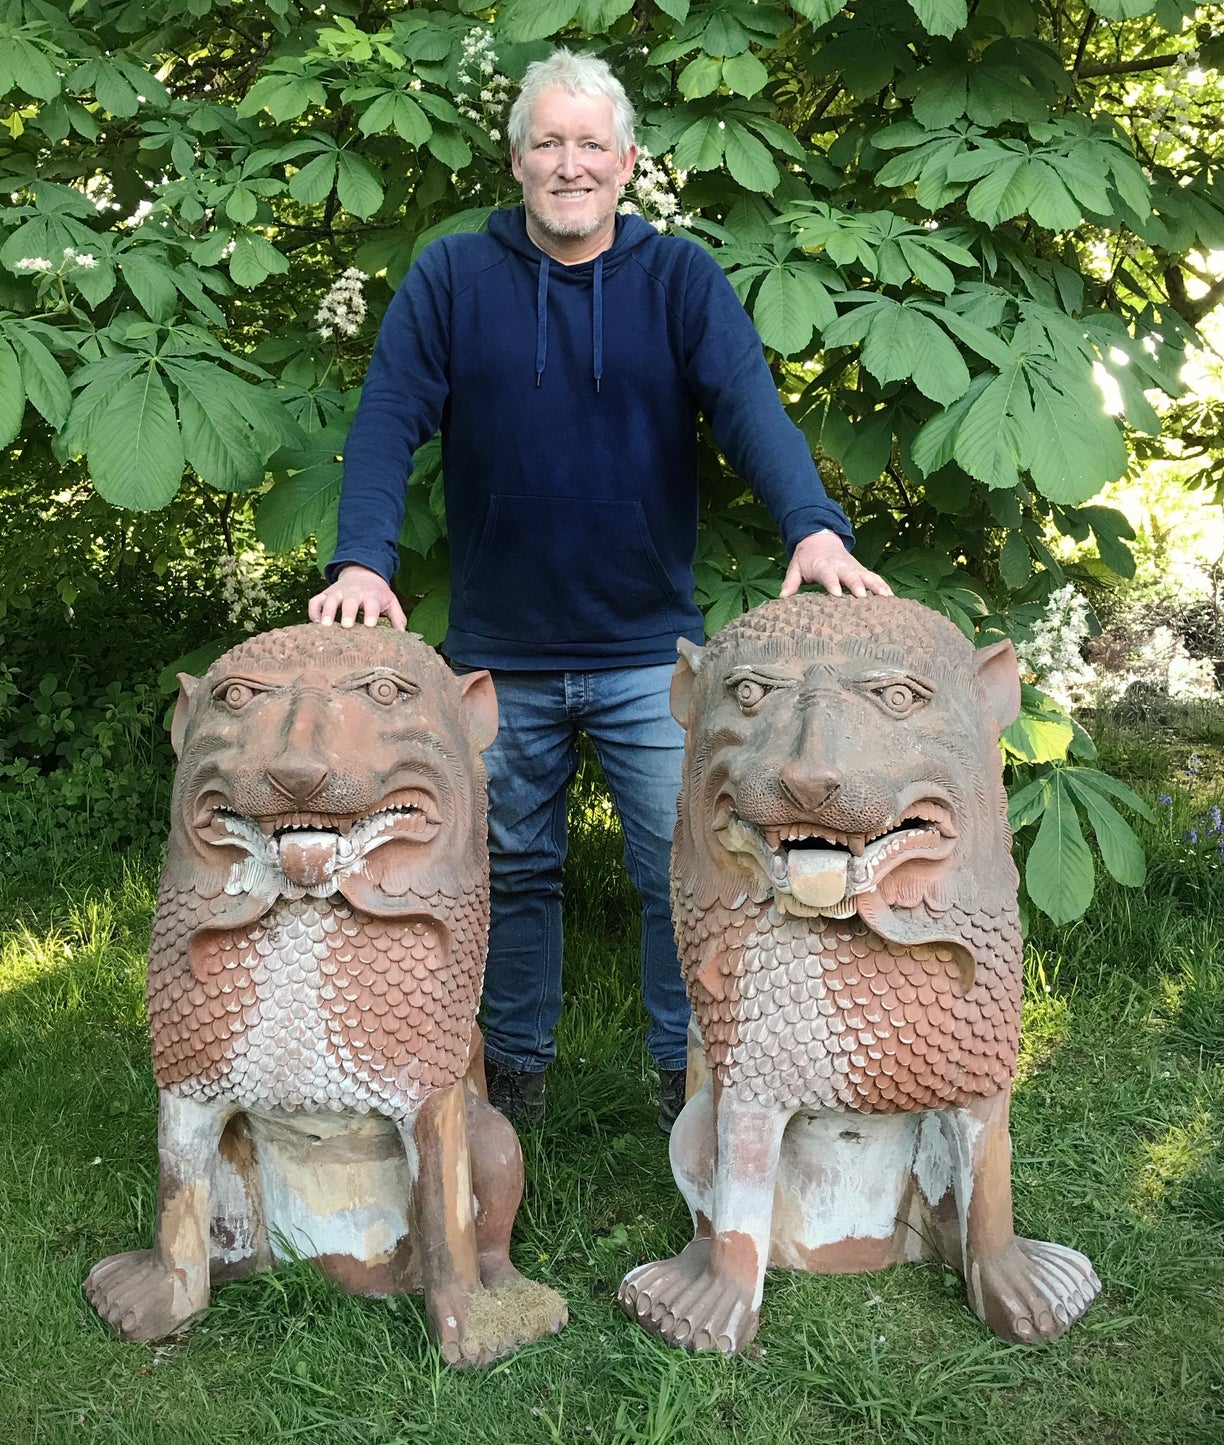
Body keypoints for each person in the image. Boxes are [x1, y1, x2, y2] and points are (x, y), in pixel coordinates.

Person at [308, 48, 889, 1129]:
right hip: (501, 649)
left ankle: (689, 1073)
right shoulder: (451, 277)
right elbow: (386, 416)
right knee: (509, 870)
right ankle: (514, 1073)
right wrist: (361, 560)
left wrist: (812, 525)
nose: (568, 164)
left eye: (589, 145)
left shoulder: (679, 282)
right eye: (547, 143)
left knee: (686, 868)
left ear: (624, 162)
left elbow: (749, 407)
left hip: (644, 651)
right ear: (516, 159)